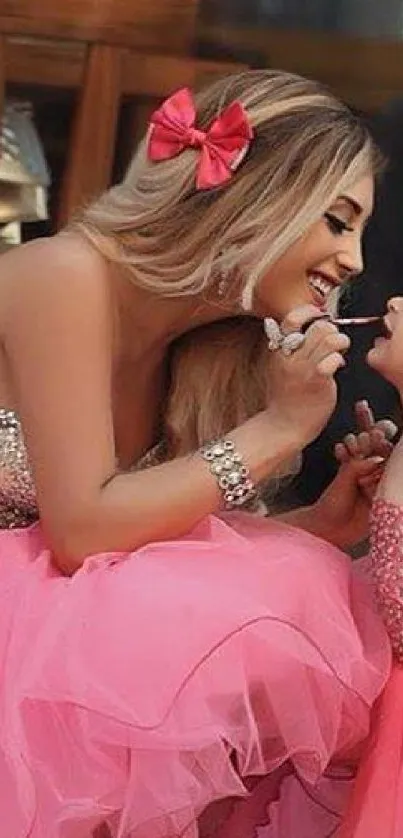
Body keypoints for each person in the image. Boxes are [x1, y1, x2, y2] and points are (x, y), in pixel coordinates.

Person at [0, 70, 392, 837]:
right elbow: (82, 533)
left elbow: (157, 557)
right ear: (258, 197)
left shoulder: (208, 359)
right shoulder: (61, 273)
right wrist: (277, 429)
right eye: (338, 222)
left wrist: (318, 523)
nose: (352, 261)